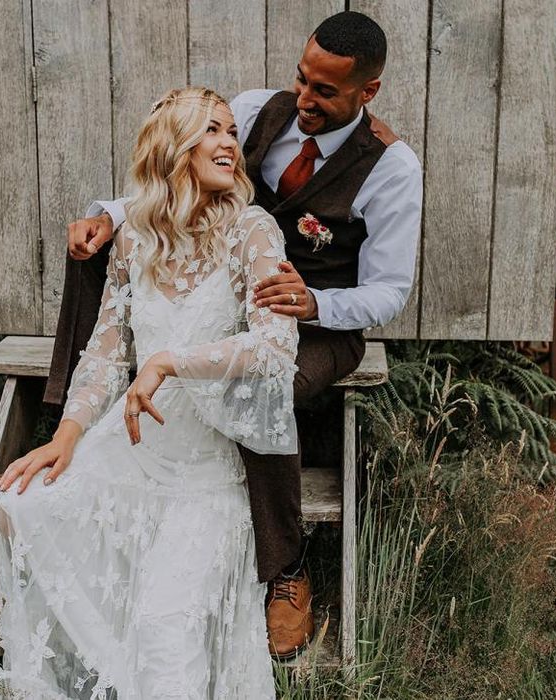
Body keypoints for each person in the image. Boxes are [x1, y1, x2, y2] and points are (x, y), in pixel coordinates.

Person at [46, 11, 423, 658]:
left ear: (368, 91)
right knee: (92, 252)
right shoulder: (257, 112)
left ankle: (285, 570)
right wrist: (108, 215)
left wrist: (313, 303)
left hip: (317, 322)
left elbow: (390, 292)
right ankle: (68, 423)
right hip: (225, 290)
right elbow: (182, 161)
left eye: (325, 92)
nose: (305, 99)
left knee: (260, 384)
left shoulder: (391, 169)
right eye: (303, 80)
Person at [0, 87, 297, 699]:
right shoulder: (134, 240)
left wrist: (169, 361)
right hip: (131, 452)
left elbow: (275, 347)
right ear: (174, 146)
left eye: (232, 131)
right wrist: (65, 437)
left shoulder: (253, 232)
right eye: (211, 129)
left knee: (162, 631)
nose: (229, 142)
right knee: (21, 506)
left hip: (203, 479)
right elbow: (104, 350)